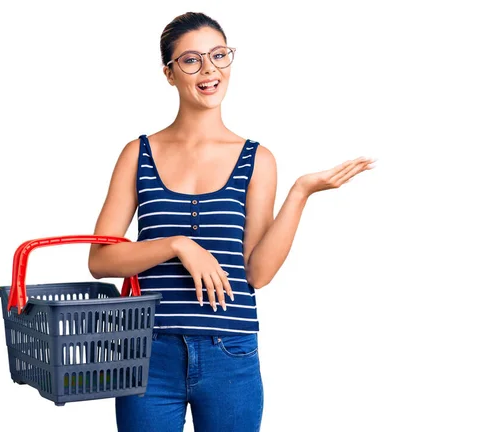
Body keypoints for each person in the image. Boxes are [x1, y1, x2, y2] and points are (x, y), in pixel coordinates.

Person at [88, 11, 375, 432]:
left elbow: (257, 273)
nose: (209, 70)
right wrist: (178, 245)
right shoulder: (138, 153)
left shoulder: (256, 160)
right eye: (191, 60)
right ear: (169, 73)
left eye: (219, 55)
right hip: (147, 352)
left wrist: (300, 193)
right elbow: (101, 260)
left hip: (231, 355)